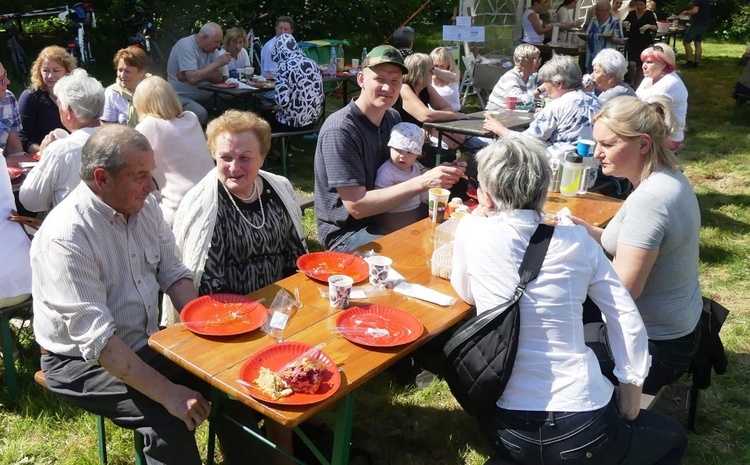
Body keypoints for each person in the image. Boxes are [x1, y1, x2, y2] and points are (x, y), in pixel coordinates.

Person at [451, 135, 687, 465]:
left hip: (505, 425)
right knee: (672, 438)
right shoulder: (576, 240)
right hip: (584, 424)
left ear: (485, 195)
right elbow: (624, 315)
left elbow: (467, 293)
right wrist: (631, 392)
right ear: (543, 189)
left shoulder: (470, 231)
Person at [31, 124, 212, 464]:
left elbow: (172, 272)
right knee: (168, 417)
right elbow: (99, 341)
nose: (152, 185)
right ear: (102, 178)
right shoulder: (66, 237)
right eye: (141, 175)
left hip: (145, 341)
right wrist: (169, 394)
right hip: (78, 361)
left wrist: (207, 329)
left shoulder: (145, 207)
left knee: (227, 378)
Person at [167, 110, 307, 464]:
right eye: (225, 157)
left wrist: (289, 308)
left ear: (262, 155)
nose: (234, 166)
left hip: (284, 311)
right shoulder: (204, 206)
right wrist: (258, 319)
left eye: (245, 157)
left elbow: (295, 255)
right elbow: (205, 289)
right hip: (229, 327)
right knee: (270, 377)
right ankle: (268, 447)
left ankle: (302, 430)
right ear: (214, 155)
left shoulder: (279, 189)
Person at [570, 96, 702, 395]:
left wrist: (565, 273)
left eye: (608, 144)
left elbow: (625, 290)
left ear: (643, 144)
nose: (598, 152)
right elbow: (621, 241)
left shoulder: (650, 200)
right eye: (597, 143)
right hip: (675, 330)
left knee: (549, 343)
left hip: (655, 347)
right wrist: (582, 229)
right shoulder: (667, 178)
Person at [314, 45, 465, 251]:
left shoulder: (391, 117)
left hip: (390, 215)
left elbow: (402, 163)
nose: (388, 87)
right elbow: (357, 206)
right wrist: (423, 181)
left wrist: (440, 172)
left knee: (454, 230)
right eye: (380, 79)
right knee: (423, 247)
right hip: (349, 235)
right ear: (361, 80)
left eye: (395, 81)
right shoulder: (340, 130)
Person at [484, 54, 601, 160]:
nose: (544, 87)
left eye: (546, 82)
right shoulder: (597, 101)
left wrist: (498, 128)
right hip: (592, 167)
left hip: (560, 170)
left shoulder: (557, 105)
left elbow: (526, 142)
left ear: (559, 83)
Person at [133, 76, 214, 226]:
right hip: (213, 197)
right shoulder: (191, 118)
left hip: (179, 208)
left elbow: (133, 171)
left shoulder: (148, 126)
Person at [19, 69, 103, 212]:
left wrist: (44, 155)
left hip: (76, 230)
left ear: (68, 112)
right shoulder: (123, 138)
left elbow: (31, 201)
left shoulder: (60, 150)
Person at [394, 53, 477, 156]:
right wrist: (455, 115)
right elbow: (425, 115)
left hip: (418, 139)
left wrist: (428, 122)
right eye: (431, 70)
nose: (434, 74)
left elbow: (448, 108)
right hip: (402, 145)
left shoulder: (426, 88)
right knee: (447, 155)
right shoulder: (404, 88)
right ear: (422, 72)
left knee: (454, 151)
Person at [167, 22, 232, 126]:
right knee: (200, 113)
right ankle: (198, 141)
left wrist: (196, 72)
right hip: (183, 97)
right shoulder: (186, 46)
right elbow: (193, 80)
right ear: (204, 37)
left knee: (234, 101)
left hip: (208, 95)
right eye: (216, 42)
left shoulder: (212, 49)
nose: (218, 46)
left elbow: (218, 77)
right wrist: (216, 64)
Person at [18, 46, 76, 153]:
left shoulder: (76, 96)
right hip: (40, 157)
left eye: (56, 70)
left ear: (67, 71)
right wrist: (43, 152)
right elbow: (22, 137)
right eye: (45, 70)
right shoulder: (30, 97)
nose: (50, 76)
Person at [374, 122, 428, 233]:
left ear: (417, 155)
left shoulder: (415, 168)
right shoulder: (387, 171)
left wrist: (427, 199)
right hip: (396, 216)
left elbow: (422, 191)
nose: (402, 156)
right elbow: (379, 196)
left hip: (417, 209)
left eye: (409, 152)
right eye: (398, 150)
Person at [636, 43, 688, 149]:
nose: (644, 66)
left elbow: (649, 111)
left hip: (667, 136)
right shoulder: (649, 78)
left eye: (649, 62)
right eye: (644, 62)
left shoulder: (669, 83)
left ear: (664, 64)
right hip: (649, 128)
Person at [271, 34, 324, 131]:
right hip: (311, 120)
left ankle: (281, 145)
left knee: (266, 117)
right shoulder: (313, 63)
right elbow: (320, 95)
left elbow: (281, 101)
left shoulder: (283, 66)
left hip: (291, 123)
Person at [101, 46, 149, 127]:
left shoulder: (153, 89)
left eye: (127, 71)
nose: (122, 75)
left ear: (141, 72)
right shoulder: (112, 93)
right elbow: (107, 127)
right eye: (120, 70)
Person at [486, 44, 541, 111]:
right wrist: (539, 90)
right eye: (535, 61)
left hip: (516, 113)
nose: (538, 63)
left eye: (539, 60)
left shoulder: (534, 76)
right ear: (522, 63)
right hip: (497, 112)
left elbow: (548, 92)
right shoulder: (510, 77)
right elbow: (518, 100)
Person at [622, 0, 658, 87]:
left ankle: (639, 82)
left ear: (644, 5)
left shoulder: (649, 14)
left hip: (644, 42)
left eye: (641, 4)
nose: (639, 6)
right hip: (632, 41)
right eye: (637, 5)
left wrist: (648, 26)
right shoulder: (631, 14)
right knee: (631, 63)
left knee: (640, 64)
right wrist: (624, 23)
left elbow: (655, 27)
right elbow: (624, 23)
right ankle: (631, 80)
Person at [586, 0, 624, 72]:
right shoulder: (593, 21)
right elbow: (587, 35)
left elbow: (620, 40)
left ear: (607, 11)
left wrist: (611, 38)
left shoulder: (615, 22)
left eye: (600, 10)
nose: (597, 13)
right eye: (596, 10)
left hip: (607, 60)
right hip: (591, 58)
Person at [0, 62, 23, 155]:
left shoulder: (9, 98)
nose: (7, 81)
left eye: (5, 75)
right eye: (0, 79)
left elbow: (13, 146)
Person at [680, 0, 711, 68]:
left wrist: (686, 12)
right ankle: (696, 63)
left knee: (686, 42)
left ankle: (689, 62)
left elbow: (695, 10)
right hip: (705, 23)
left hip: (697, 23)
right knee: (698, 43)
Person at [430, 47, 461, 112]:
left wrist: (433, 70)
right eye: (435, 66)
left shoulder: (455, 71)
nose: (439, 68)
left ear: (448, 65)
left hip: (455, 112)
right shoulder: (429, 76)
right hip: (436, 114)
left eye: (442, 66)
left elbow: (453, 78)